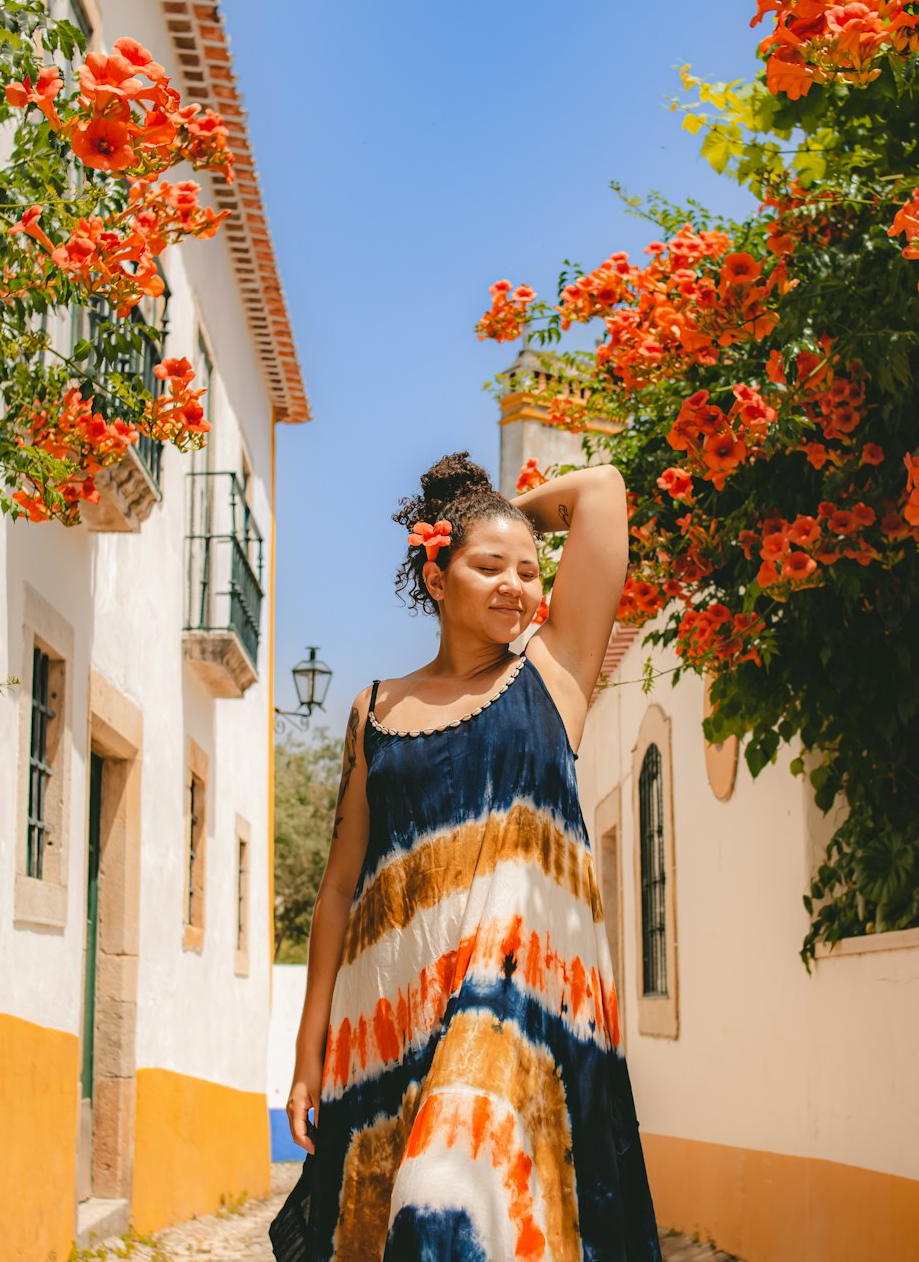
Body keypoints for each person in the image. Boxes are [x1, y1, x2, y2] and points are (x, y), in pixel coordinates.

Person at [273, 451, 662, 1262]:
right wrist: (310, 1050)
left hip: (518, 1013)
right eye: (489, 566)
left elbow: (602, 492)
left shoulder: (554, 676)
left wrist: (489, 510)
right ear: (436, 574)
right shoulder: (372, 710)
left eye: (529, 570)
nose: (517, 584)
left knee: (440, 1197)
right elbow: (340, 886)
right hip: (391, 1017)